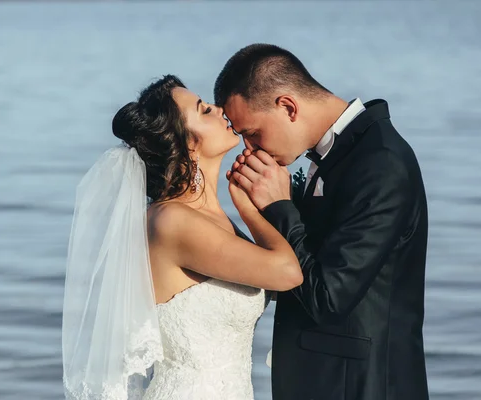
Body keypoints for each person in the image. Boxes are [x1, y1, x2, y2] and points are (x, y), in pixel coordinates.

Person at [62, 75, 303, 400]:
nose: (220, 110)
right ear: (187, 141)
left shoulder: (211, 219)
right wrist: (250, 210)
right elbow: (287, 273)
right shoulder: (172, 221)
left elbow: (276, 282)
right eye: (204, 110)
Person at [215, 43, 430, 400]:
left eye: (251, 132)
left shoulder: (381, 164)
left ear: (287, 106)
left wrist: (281, 208)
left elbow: (329, 298)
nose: (250, 149)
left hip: (362, 387)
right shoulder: (346, 154)